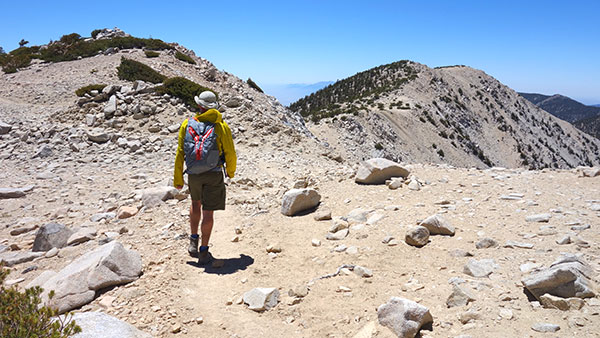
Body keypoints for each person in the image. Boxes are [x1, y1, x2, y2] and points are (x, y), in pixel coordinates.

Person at [173, 91, 236, 265]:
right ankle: (204, 251)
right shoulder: (221, 126)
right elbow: (230, 152)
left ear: (199, 106)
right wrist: (230, 172)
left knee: (195, 204)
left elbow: (180, 153)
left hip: (193, 174)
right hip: (214, 173)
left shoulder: (187, 124)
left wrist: (178, 179)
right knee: (208, 212)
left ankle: (193, 241)